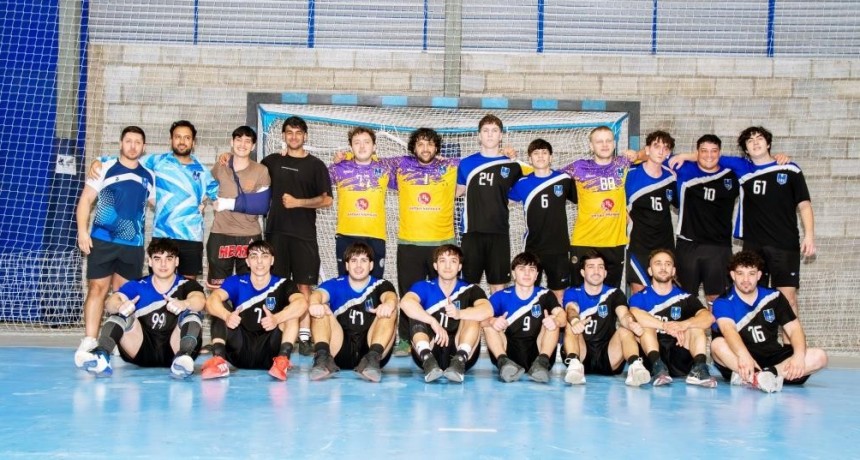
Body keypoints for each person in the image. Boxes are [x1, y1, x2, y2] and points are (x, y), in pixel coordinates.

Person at [74, 126, 155, 367]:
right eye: (128, 141)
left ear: (143, 146)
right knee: (97, 289)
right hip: (103, 240)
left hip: (133, 246)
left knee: (124, 295)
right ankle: (89, 340)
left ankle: (116, 340)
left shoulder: (149, 175)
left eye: (137, 142)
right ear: (121, 143)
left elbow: (159, 202)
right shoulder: (104, 167)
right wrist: (82, 231)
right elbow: (86, 200)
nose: (132, 146)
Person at [78, 239, 206, 378]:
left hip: (175, 349)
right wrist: (120, 305)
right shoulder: (138, 284)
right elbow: (111, 302)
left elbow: (200, 300)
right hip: (140, 348)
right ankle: (101, 356)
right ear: (150, 262)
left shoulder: (187, 284)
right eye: (157, 258)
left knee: (192, 312)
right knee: (120, 313)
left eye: (169, 258)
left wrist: (184, 304)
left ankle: (183, 358)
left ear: (177, 262)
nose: (163, 264)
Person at [261, 116, 333, 355]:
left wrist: (298, 202)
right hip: (275, 234)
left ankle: (304, 335)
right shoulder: (271, 161)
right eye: (289, 132)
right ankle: (280, 333)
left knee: (304, 285)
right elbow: (248, 173)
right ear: (283, 136)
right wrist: (226, 158)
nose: (294, 137)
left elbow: (327, 199)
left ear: (305, 136)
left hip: (304, 235)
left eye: (298, 132)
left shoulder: (316, 165)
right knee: (278, 286)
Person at [710, 251, 828, 392]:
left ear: (759, 275)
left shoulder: (774, 296)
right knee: (717, 345)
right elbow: (728, 331)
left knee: (820, 356)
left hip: (774, 359)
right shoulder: (723, 302)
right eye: (740, 273)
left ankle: (764, 376)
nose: (746, 279)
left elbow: (794, 328)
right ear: (733, 275)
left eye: (751, 273)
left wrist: (798, 356)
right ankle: (759, 377)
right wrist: (744, 356)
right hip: (741, 359)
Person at [388, 128, 459, 356]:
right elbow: (368, 161)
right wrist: (345, 157)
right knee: (408, 293)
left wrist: (506, 154)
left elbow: (484, 162)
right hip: (410, 243)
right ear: (413, 147)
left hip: (443, 243)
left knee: (447, 294)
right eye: (420, 144)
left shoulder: (452, 166)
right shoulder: (400, 166)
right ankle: (406, 339)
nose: (425, 148)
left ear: (437, 147)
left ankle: (448, 336)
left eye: (430, 144)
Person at [733, 126, 815, 318]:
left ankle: (793, 348)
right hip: (753, 246)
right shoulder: (742, 169)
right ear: (746, 149)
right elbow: (708, 156)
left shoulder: (789, 168)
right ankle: (759, 347)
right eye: (750, 140)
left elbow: (804, 205)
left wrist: (809, 235)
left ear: (768, 143)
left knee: (788, 301)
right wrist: (683, 156)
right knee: (752, 299)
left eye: (759, 138)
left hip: (784, 245)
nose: (755, 142)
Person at [200, 240, 308, 381]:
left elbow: (302, 304)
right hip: (240, 348)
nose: (259, 262)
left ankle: (282, 361)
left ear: (272, 260)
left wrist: (277, 318)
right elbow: (211, 301)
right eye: (254, 256)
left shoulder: (284, 284)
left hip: (270, 351)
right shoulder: (236, 281)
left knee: (292, 312)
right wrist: (227, 316)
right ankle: (219, 361)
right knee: (219, 307)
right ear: (247, 261)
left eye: (264, 256)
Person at [399, 244, 492, 383]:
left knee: (473, 314)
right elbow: (405, 303)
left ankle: (459, 361)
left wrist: (460, 313)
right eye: (443, 261)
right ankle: (428, 360)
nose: (447, 266)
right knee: (416, 313)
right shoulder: (423, 286)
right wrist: (432, 321)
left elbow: (488, 310)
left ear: (460, 266)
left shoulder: (471, 289)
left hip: (461, 350)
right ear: (435, 265)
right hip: (429, 347)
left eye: (453, 261)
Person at [307, 242, 398, 382]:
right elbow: (317, 294)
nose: (359, 266)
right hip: (339, 349)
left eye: (364, 260)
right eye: (354, 261)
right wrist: (314, 303)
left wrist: (389, 304)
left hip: (371, 349)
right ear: (347, 265)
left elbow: (390, 296)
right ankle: (322, 358)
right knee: (321, 309)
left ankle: (372, 360)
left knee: (390, 310)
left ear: (371, 265)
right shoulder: (335, 284)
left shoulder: (381, 284)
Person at [561, 126, 639, 288]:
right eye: (599, 141)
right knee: (578, 292)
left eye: (608, 140)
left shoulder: (623, 163)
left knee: (610, 294)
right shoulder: (578, 167)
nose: (604, 145)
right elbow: (549, 177)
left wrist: (637, 154)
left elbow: (653, 154)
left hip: (615, 242)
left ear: (614, 143)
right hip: (584, 241)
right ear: (591, 146)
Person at [561, 250, 650, 386]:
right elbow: (571, 309)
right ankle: (574, 365)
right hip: (582, 352)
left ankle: (635, 367)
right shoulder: (572, 292)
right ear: (583, 272)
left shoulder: (614, 293)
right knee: (570, 327)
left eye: (600, 267)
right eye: (591, 267)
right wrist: (575, 321)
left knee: (625, 329)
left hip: (608, 354)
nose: (596, 271)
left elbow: (624, 314)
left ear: (605, 273)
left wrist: (631, 323)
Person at [628, 249, 717, 387]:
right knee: (645, 326)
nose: (663, 267)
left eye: (668, 264)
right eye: (658, 264)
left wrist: (684, 325)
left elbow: (709, 317)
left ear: (673, 270)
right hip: (651, 355)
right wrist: (664, 326)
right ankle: (658, 367)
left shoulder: (685, 297)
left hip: (679, 353)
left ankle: (699, 369)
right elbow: (634, 314)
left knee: (696, 328)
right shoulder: (639, 297)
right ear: (650, 271)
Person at [456, 114, 523, 293]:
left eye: (494, 131)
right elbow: (457, 191)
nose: (490, 135)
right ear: (479, 135)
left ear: (501, 135)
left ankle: (497, 321)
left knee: (498, 286)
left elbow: (523, 189)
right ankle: (469, 320)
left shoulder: (513, 165)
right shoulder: (466, 163)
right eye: (485, 131)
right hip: (472, 232)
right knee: (468, 287)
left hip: (499, 232)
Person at [670, 135, 739, 306]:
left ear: (720, 153)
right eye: (704, 151)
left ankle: (717, 334)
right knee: (685, 298)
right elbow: (652, 155)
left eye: (714, 151)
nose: (709, 155)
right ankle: (689, 333)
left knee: (717, 299)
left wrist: (778, 158)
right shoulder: (683, 168)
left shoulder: (731, 174)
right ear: (697, 152)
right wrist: (633, 155)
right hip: (688, 244)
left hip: (719, 247)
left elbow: (759, 161)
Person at [508, 139, 575, 302]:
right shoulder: (522, 183)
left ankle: (557, 326)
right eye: (536, 153)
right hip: (533, 247)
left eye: (544, 153)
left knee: (559, 293)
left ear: (551, 157)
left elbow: (584, 200)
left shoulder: (564, 179)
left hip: (558, 247)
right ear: (530, 159)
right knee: (529, 290)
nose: (540, 156)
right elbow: (502, 201)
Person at [482, 252, 566, 383]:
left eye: (531, 270)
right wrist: (493, 320)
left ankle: (542, 363)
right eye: (522, 269)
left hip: (537, 349)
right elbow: (480, 321)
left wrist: (556, 320)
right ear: (514, 274)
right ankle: (504, 363)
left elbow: (562, 316)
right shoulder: (500, 296)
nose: (527, 274)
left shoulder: (545, 294)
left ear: (537, 275)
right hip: (509, 351)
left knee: (552, 321)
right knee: (489, 325)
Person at [206, 126, 271, 289]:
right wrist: (207, 200)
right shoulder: (221, 165)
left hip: (249, 235)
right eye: (239, 140)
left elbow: (262, 206)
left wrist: (227, 203)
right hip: (220, 233)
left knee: (249, 286)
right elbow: (207, 186)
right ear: (231, 142)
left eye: (247, 141)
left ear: (254, 146)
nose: (243, 144)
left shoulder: (261, 171)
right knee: (218, 288)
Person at [329, 127, 390, 278]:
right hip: (346, 235)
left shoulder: (386, 168)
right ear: (351, 147)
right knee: (345, 284)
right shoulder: (338, 168)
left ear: (374, 147)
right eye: (357, 143)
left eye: (366, 142)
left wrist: (439, 160)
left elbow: (417, 165)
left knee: (374, 286)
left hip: (375, 236)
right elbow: (313, 178)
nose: (362, 147)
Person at [624, 131, 677, 295]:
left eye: (665, 148)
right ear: (647, 150)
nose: (661, 151)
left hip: (665, 245)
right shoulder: (630, 174)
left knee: (664, 291)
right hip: (638, 244)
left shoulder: (672, 177)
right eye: (656, 146)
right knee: (639, 292)